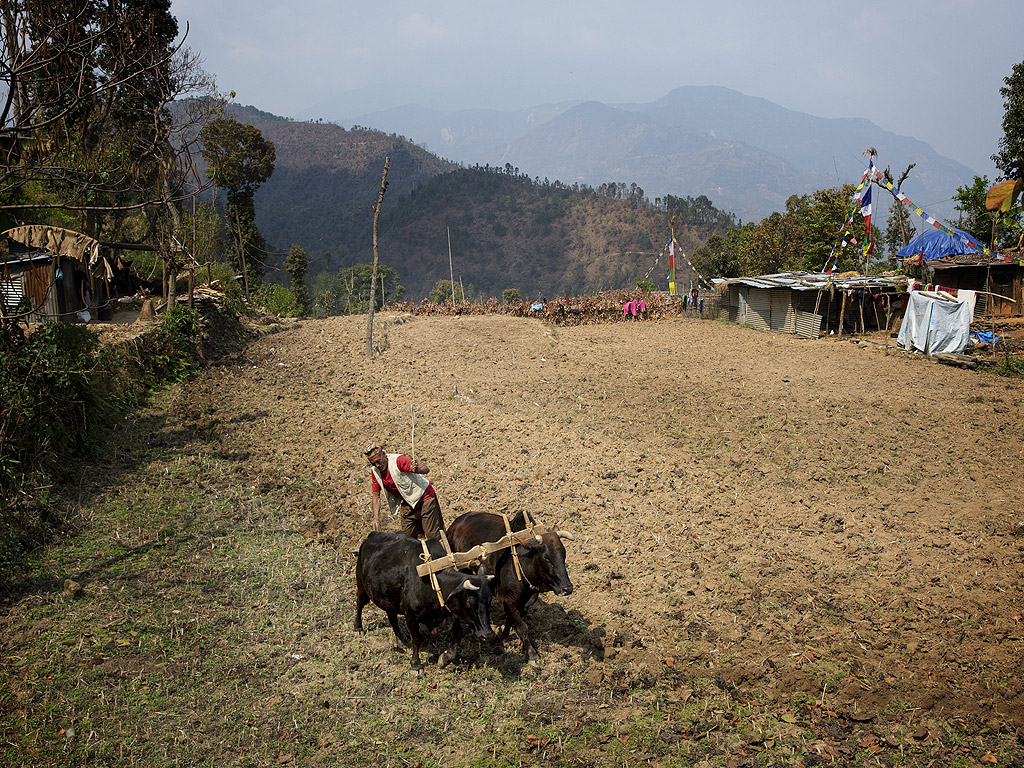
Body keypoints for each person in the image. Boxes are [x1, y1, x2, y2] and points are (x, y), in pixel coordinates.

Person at [365, 442, 444, 540]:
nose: (377, 465)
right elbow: (376, 496)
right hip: (408, 502)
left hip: (425, 498)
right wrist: (375, 518)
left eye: (378, 461)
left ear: (384, 454)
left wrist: (417, 469)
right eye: (374, 464)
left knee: (432, 535)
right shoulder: (375, 472)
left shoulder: (398, 461)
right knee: (407, 538)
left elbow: (426, 469)